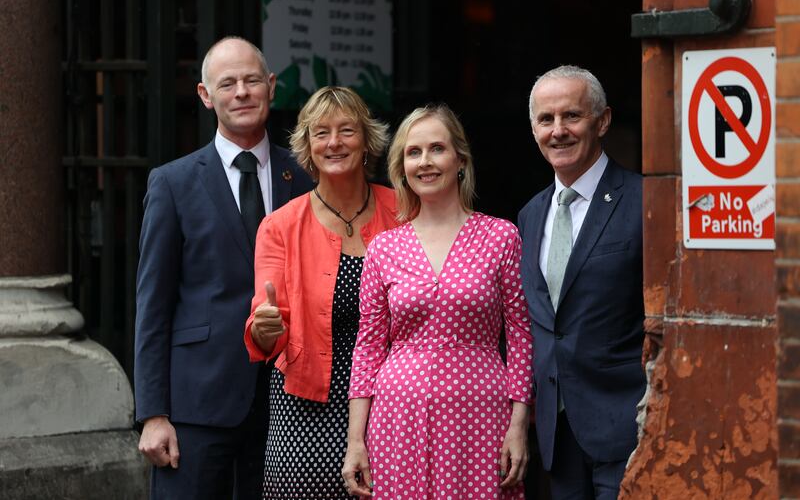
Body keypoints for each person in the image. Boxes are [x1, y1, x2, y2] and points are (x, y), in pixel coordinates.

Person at [134, 36, 313, 499]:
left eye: (252, 80)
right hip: (197, 405)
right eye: (227, 83)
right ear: (204, 95)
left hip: (287, 405)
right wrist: (153, 413)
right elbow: (152, 305)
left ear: (271, 87)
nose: (241, 93)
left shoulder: (307, 178)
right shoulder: (172, 183)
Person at [343, 104, 533, 499]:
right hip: (398, 417)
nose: (425, 162)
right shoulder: (383, 247)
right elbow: (368, 347)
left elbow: (520, 336)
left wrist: (519, 424)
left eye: (436, 149)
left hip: (481, 414)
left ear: (460, 160)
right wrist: (355, 440)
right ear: (401, 167)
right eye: (413, 152)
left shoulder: (501, 236)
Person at [244, 86, 398, 499]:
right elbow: (267, 334)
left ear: (367, 141)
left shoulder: (403, 211)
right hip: (306, 410)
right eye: (321, 133)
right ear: (307, 148)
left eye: (347, 130)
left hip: (391, 404)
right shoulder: (279, 226)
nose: (334, 142)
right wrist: (264, 327)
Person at [517, 65, 646, 499]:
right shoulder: (530, 215)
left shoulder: (643, 201)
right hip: (556, 432)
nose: (558, 131)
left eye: (571, 116)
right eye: (545, 119)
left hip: (625, 425)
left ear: (602, 120)